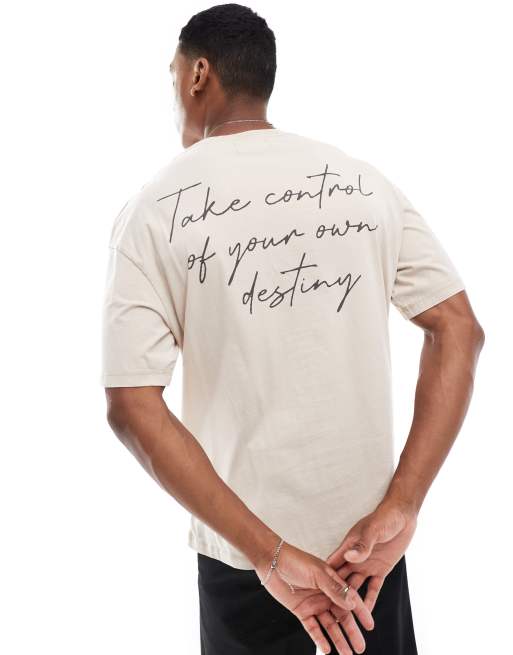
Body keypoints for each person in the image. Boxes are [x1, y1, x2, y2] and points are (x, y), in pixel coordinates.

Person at [100, 4, 485, 654]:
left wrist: (270, 553)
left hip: (248, 565)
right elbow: (458, 328)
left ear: (198, 75)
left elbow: (131, 404)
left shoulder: (154, 210)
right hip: (368, 560)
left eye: (171, 76)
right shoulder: (362, 183)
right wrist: (403, 503)